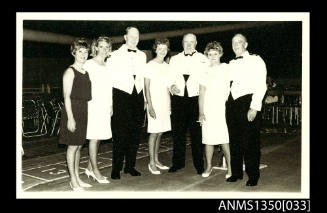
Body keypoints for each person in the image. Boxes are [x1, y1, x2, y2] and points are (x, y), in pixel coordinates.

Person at [225, 34, 267, 186]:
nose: (236, 45)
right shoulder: (230, 63)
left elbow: (261, 85)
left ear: (246, 44)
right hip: (232, 103)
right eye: (233, 42)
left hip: (248, 102)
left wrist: (254, 107)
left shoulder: (256, 60)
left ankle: (253, 176)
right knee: (234, 140)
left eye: (239, 42)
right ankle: (236, 173)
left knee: (250, 142)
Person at [109, 27, 146, 179]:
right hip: (121, 95)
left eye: (136, 36)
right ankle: (116, 168)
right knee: (120, 134)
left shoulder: (143, 55)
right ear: (125, 37)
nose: (133, 39)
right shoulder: (114, 55)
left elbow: (143, 78)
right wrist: (111, 103)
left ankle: (130, 167)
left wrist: (144, 100)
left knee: (135, 134)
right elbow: (110, 79)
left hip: (137, 95)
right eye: (131, 36)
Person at [168, 33, 207, 174]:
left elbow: (206, 80)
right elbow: (169, 78)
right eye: (186, 42)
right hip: (178, 99)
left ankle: (199, 165)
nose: (189, 44)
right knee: (178, 133)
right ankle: (177, 163)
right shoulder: (174, 59)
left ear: (196, 43)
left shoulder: (204, 59)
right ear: (182, 43)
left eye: (192, 42)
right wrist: (171, 86)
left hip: (195, 99)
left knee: (197, 134)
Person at [58, 38, 92, 191]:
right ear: (74, 53)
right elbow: (66, 97)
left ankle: (77, 178)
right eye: (80, 51)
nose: (83, 54)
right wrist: (70, 119)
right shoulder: (70, 71)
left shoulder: (85, 72)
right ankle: (73, 180)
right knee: (72, 147)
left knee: (79, 146)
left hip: (83, 110)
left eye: (86, 52)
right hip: (72, 111)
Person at [198, 41, 232, 179]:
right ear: (207, 55)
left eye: (215, 54)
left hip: (221, 108)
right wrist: (201, 112)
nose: (212, 56)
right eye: (210, 54)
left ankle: (230, 168)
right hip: (207, 108)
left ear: (221, 54)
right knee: (208, 139)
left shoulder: (226, 68)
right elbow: (201, 92)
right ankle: (208, 167)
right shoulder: (204, 71)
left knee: (224, 139)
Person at [83, 36, 112, 184]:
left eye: (107, 47)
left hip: (105, 105)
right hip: (92, 105)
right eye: (101, 46)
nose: (104, 49)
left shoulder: (108, 66)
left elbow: (109, 88)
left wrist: (111, 105)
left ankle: (89, 167)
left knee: (99, 136)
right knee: (94, 137)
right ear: (95, 48)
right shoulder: (88, 64)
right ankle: (95, 171)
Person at [144, 38, 171, 175]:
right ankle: (151, 163)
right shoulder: (149, 65)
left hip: (165, 103)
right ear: (155, 49)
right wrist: (150, 105)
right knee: (154, 132)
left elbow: (168, 86)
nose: (162, 51)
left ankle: (156, 159)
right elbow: (146, 88)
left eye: (164, 49)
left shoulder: (167, 66)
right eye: (159, 48)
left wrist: (170, 105)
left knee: (160, 132)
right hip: (154, 103)